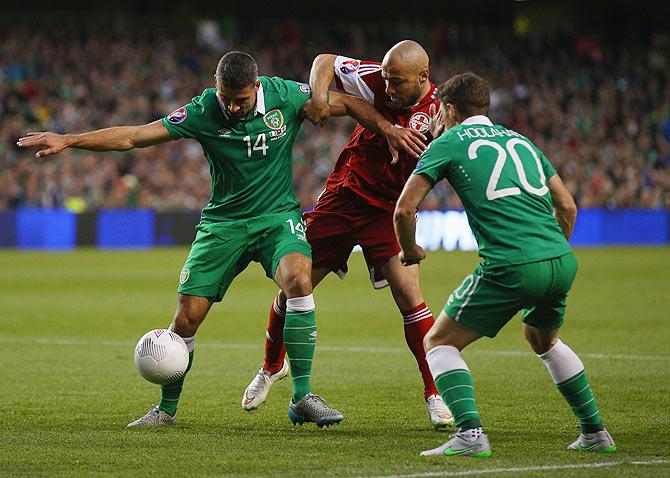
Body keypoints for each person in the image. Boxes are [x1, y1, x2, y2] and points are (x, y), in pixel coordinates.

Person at [17, 51, 423, 428]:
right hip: (222, 224)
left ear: (257, 87)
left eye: (240, 100)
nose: (231, 107)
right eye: (226, 98)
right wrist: (69, 140)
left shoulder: (286, 96)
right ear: (216, 85)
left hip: (277, 217)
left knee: (299, 279)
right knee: (186, 318)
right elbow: (134, 137)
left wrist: (386, 129)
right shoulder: (202, 110)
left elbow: (347, 103)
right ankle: (166, 409)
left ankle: (302, 397)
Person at [394, 72, 617, 457]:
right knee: (542, 339)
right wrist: (548, 250)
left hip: (511, 263)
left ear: (449, 109)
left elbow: (404, 209)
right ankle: (595, 432)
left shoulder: (447, 142)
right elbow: (567, 205)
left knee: (438, 341)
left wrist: (410, 251)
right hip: (560, 259)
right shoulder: (521, 140)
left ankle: (469, 435)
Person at [242, 40, 455, 429]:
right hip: (343, 199)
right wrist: (321, 98)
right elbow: (324, 60)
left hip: (389, 212)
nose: (388, 89)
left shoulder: (442, 111)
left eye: (398, 83)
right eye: (387, 80)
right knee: (297, 284)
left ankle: (434, 393)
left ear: (424, 77)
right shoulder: (377, 78)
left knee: (410, 296)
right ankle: (272, 366)